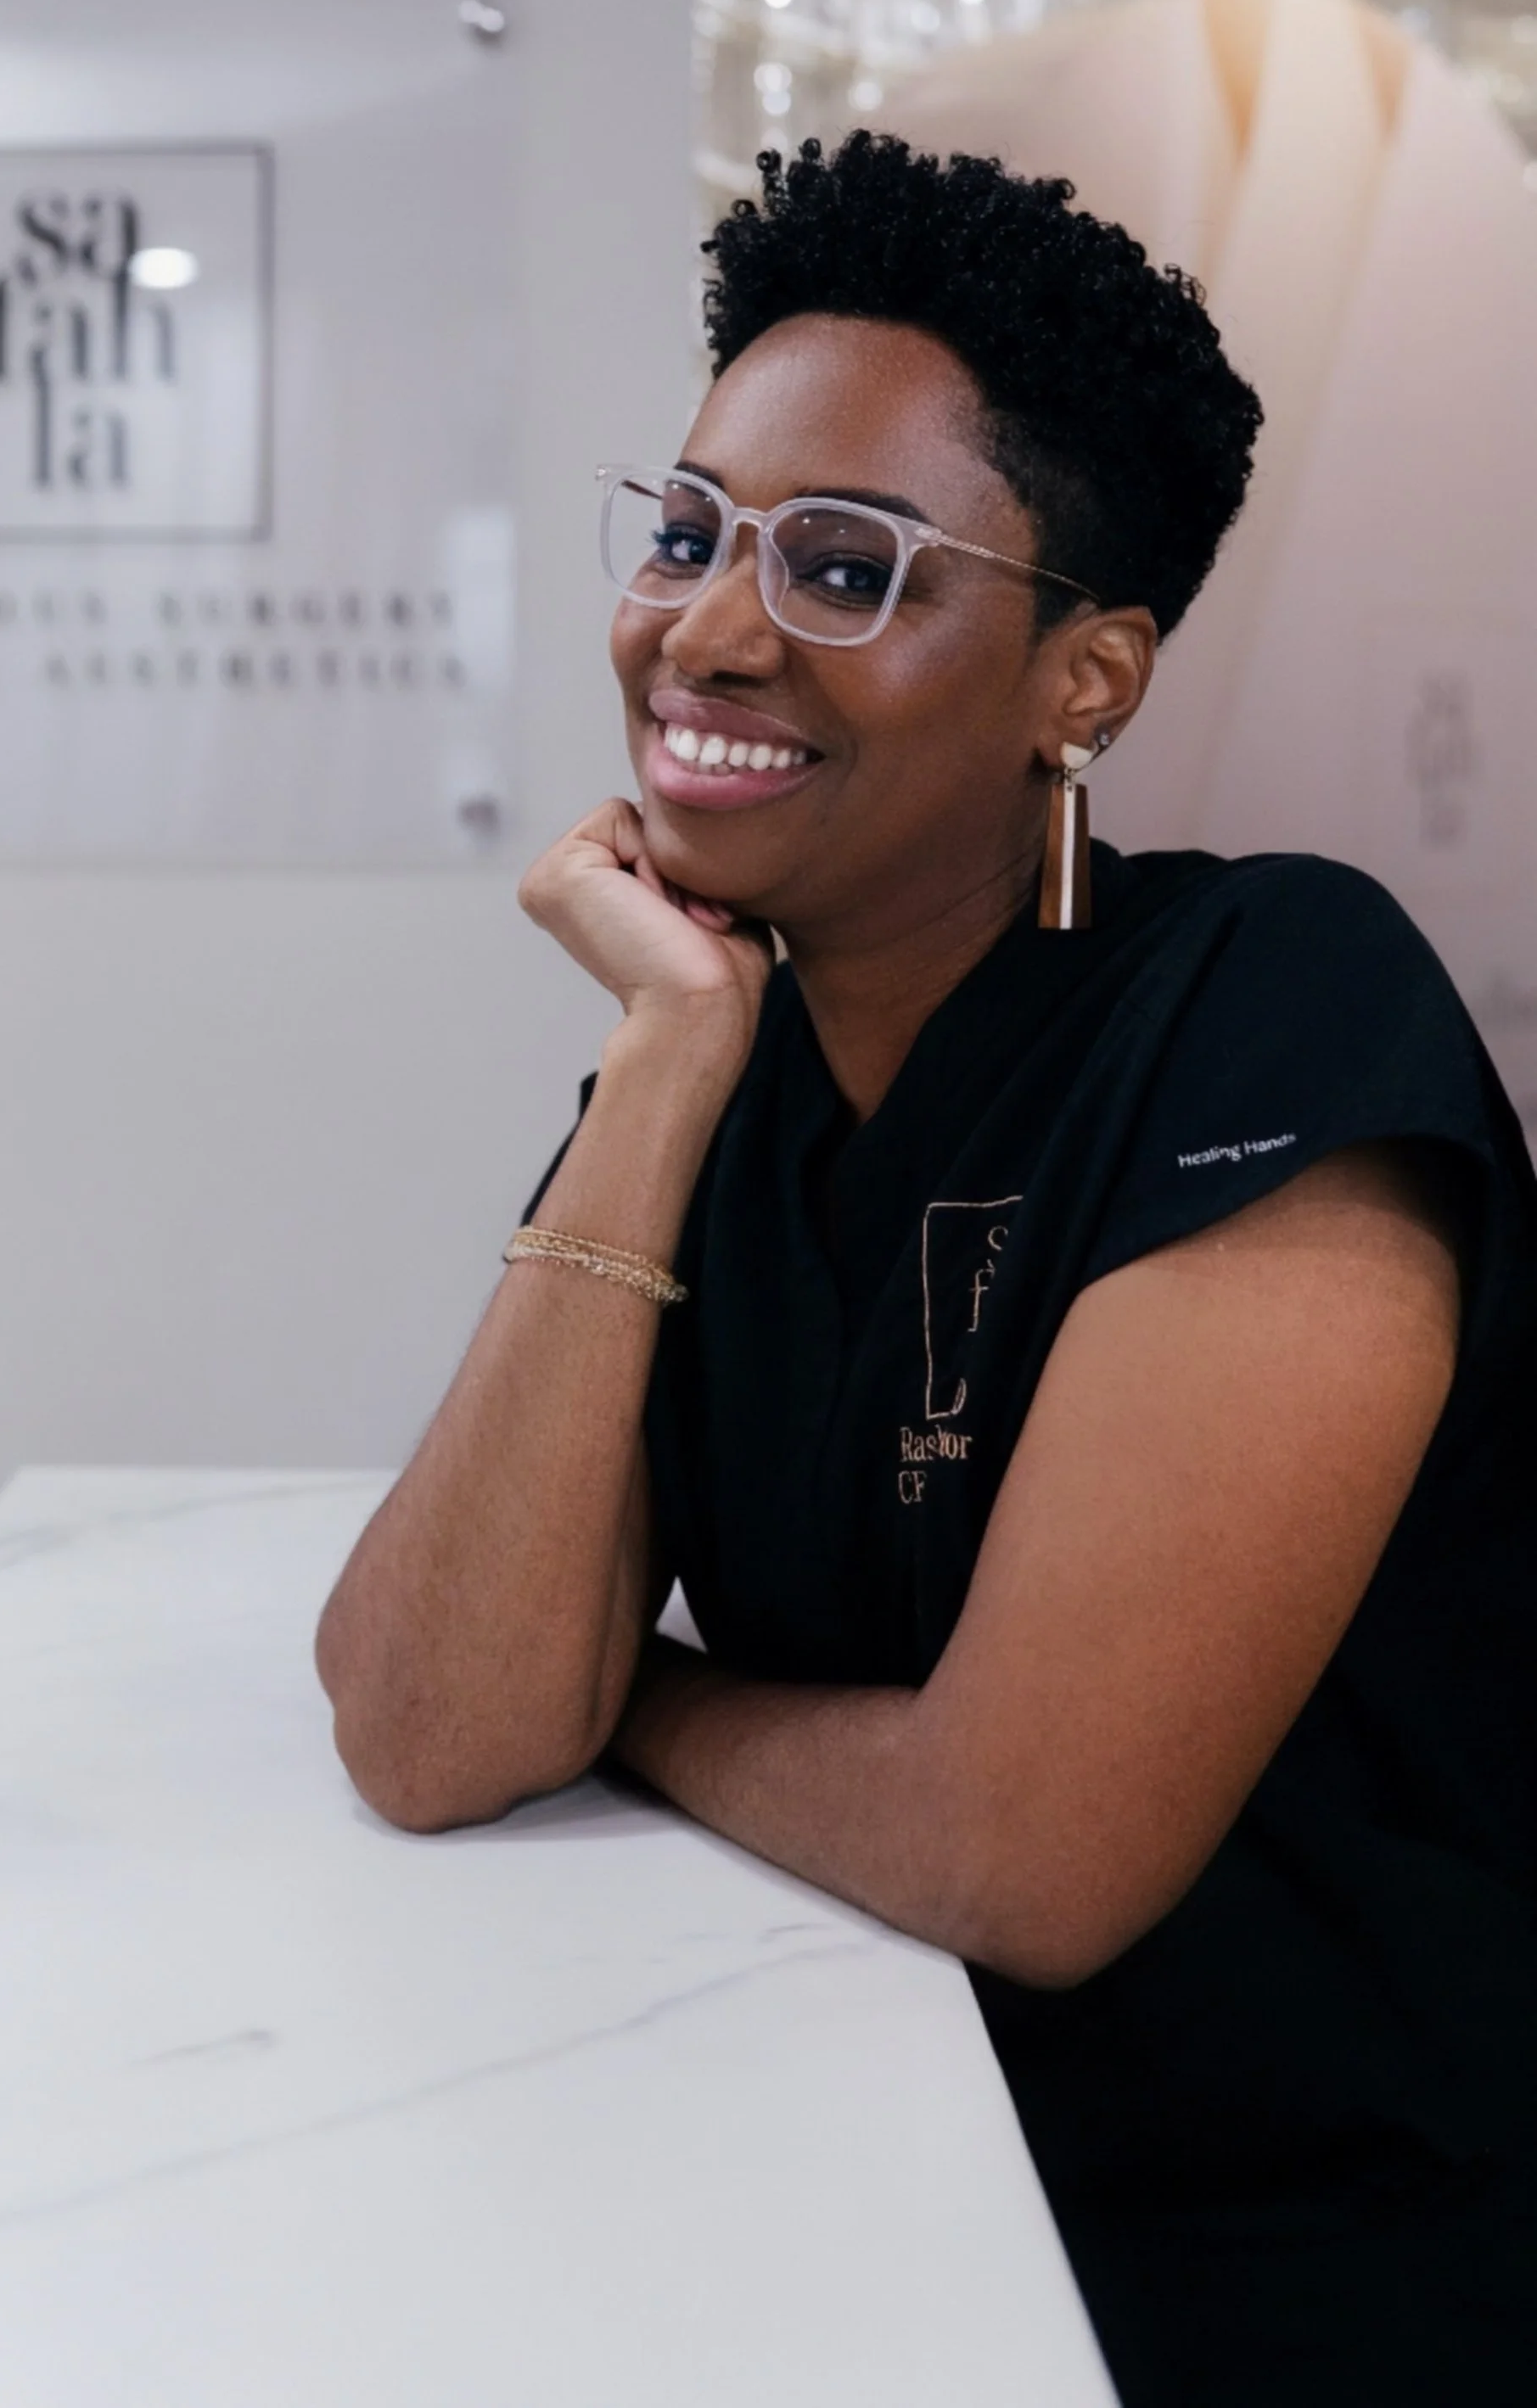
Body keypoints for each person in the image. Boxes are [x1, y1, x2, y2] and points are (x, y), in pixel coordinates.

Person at [315, 132, 1537, 2407]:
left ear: (1084, 675)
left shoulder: (1275, 998)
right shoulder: (726, 1044)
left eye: (848, 566)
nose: (707, 628)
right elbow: (423, 1714)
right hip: (868, 2195)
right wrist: (667, 1059)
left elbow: (1024, 1846)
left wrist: (640, 1699)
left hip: (1317, 2270)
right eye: (685, 532)